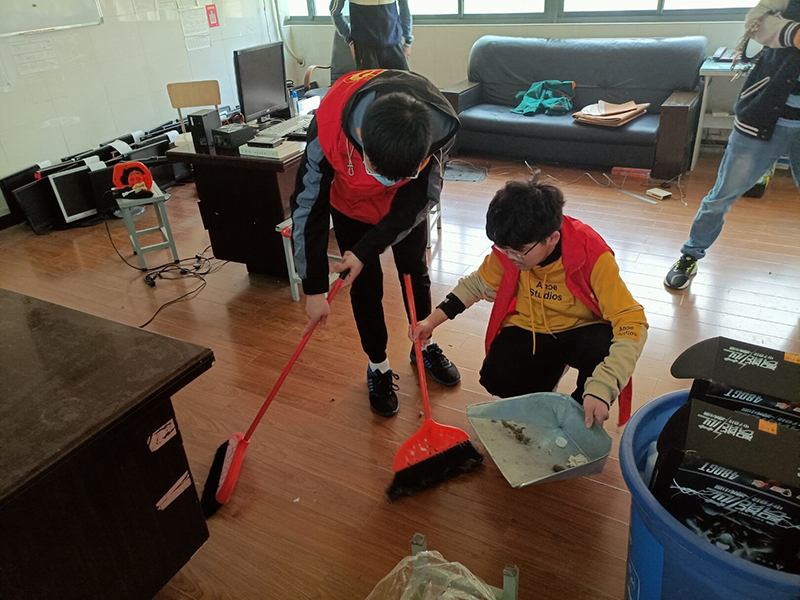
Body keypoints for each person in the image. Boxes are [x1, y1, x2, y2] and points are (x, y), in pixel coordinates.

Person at [411, 176, 648, 428]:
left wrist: (603, 387)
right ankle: (549, 378)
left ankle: (582, 408)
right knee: (497, 378)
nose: (511, 257)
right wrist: (431, 321)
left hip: (579, 331)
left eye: (518, 252)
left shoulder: (590, 252)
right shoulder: (511, 248)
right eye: (504, 250)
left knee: (603, 348)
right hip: (531, 328)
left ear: (552, 238)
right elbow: (477, 284)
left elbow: (632, 321)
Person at [290, 69, 461, 418]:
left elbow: (421, 198)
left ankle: (423, 344)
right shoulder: (328, 130)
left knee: (415, 272)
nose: (384, 183)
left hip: (403, 211)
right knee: (365, 286)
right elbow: (308, 208)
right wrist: (314, 288)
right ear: (361, 137)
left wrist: (369, 249)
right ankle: (378, 365)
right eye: (377, 171)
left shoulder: (435, 129)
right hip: (350, 207)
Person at [665, 0, 800, 290]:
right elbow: (755, 20)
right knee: (721, 197)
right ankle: (690, 255)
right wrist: (793, 33)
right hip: (761, 117)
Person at [330, 0, 413, 70]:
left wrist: (407, 41)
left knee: (404, 83)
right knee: (370, 84)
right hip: (365, 49)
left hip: (394, 46)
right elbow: (334, 11)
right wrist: (350, 40)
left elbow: (404, 9)